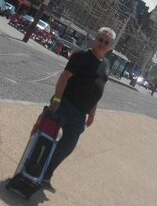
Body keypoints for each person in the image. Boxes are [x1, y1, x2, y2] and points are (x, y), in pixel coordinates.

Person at [41, 26, 116, 192]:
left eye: (107, 42)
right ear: (95, 40)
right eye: (100, 40)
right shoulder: (81, 56)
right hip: (64, 105)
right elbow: (64, 78)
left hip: (80, 114)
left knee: (67, 146)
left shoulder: (106, 65)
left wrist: (92, 113)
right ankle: (32, 168)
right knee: (44, 137)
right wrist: (57, 99)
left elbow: (98, 90)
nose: (103, 43)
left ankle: (46, 174)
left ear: (110, 47)